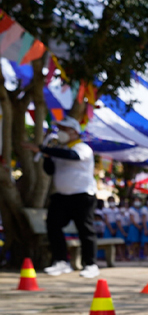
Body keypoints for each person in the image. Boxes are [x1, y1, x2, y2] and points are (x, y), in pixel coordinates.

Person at [22, 117, 100, 278]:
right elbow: (50, 170)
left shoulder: (82, 148)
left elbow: (72, 156)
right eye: (60, 129)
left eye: (65, 129)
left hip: (83, 195)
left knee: (85, 229)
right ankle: (61, 261)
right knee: (53, 225)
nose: (61, 133)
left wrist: (44, 149)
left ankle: (90, 264)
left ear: (74, 132)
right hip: (62, 196)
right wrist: (47, 156)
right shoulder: (57, 150)